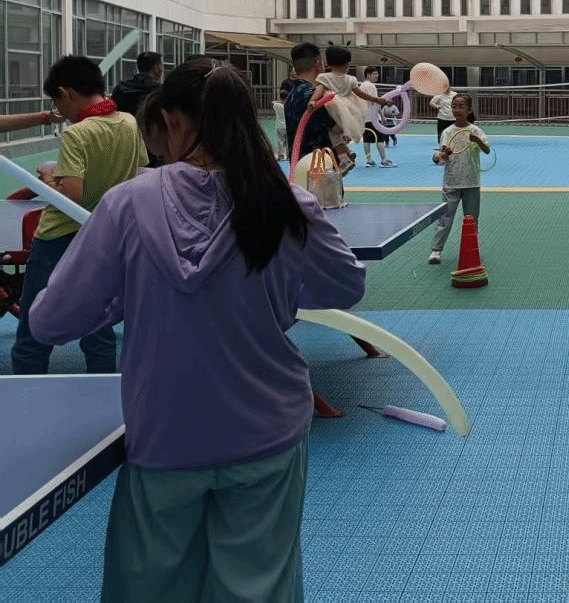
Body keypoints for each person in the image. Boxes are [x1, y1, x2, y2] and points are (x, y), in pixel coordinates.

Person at [28, 58, 366, 599]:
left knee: (148, 589)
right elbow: (346, 286)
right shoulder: (285, 204)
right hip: (268, 429)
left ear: (173, 120)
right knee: (260, 587)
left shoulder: (126, 205)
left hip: (165, 434)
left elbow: (49, 321)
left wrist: (122, 299)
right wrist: (278, 293)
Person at [11, 55, 149, 376]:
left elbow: (72, 194)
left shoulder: (78, 133)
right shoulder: (128, 122)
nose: (61, 111)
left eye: (58, 103)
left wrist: (48, 179)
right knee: (98, 324)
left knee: (33, 326)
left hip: (58, 238)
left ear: (66, 93)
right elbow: (137, 171)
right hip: (104, 236)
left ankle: (27, 394)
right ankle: (100, 390)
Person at [428, 93, 490, 264]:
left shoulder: (476, 131)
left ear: (469, 110)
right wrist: (443, 154)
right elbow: (438, 158)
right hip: (452, 182)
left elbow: (487, 150)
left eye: (461, 107)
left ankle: (472, 250)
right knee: (445, 218)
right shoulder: (447, 132)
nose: (457, 110)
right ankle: (436, 250)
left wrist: (477, 141)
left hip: (471, 182)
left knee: (472, 220)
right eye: (454, 107)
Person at [285, 42, 354, 173]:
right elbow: (336, 127)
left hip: (299, 165)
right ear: (318, 64)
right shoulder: (316, 97)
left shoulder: (291, 95)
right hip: (320, 168)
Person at [308, 46, 388, 150]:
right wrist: (375, 99)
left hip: (331, 109)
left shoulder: (324, 77)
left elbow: (319, 90)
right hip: (348, 109)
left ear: (328, 64)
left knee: (334, 134)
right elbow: (360, 94)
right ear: (348, 65)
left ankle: (342, 152)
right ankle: (345, 147)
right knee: (342, 130)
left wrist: (312, 101)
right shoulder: (351, 79)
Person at [111, 51, 164, 167]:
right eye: (161, 65)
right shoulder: (160, 92)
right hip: (151, 147)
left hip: (125, 145)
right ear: (156, 67)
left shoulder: (121, 89)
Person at [359, 66, 389, 167]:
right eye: (374, 74)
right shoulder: (371, 86)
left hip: (364, 117)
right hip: (373, 117)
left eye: (377, 74)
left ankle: (369, 160)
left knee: (366, 139)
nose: (377, 76)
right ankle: (384, 160)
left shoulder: (361, 86)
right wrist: (382, 116)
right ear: (368, 75)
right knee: (380, 138)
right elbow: (375, 102)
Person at [273, 81, 292, 161]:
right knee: (288, 140)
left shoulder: (277, 105)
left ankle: (281, 155)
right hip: (288, 125)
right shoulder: (289, 105)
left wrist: (279, 100)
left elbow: (273, 102)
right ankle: (288, 154)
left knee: (280, 141)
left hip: (279, 126)